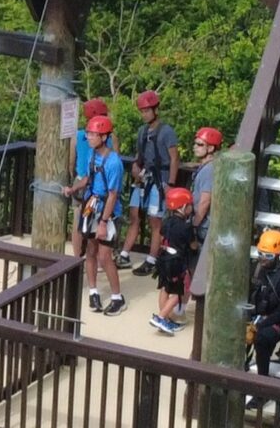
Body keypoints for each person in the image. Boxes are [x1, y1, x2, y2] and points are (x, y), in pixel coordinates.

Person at [75, 114, 126, 315]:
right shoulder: (92, 154)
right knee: (90, 251)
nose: (88, 137)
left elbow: (113, 194)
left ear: (104, 137)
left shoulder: (114, 162)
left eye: (93, 134)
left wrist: (104, 222)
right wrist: (73, 188)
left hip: (107, 210)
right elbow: (88, 178)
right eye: (88, 133)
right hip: (92, 204)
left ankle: (117, 297)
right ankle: (93, 292)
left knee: (105, 256)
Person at [121, 91, 177, 270]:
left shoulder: (166, 131)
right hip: (144, 177)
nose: (144, 114)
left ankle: (152, 259)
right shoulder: (142, 131)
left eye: (147, 110)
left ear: (155, 110)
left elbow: (174, 158)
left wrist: (171, 185)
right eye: (142, 111)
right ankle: (124, 254)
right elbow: (140, 154)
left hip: (161, 179)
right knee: (134, 215)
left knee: (155, 220)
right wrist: (136, 168)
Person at [148, 188, 201, 335]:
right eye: (190, 204)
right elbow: (193, 245)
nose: (192, 207)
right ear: (183, 207)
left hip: (163, 259)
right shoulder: (186, 227)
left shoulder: (165, 222)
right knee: (180, 292)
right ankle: (160, 317)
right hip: (177, 263)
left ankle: (164, 318)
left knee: (165, 288)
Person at [247, 228, 280, 376]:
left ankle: (262, 381)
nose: (263, 259)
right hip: (256, 314)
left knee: (263, 338)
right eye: (260, 254)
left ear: (277, 255)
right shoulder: (256, 269)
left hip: (277, 320)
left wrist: (260, 324)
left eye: (268, 256)